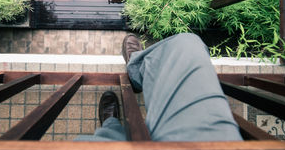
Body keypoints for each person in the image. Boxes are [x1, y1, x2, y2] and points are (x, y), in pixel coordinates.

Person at [76, 33, 242, 141]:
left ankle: (110, 124)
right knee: (187, 44)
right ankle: (137, 73)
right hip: (213, 149)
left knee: (107, 140)